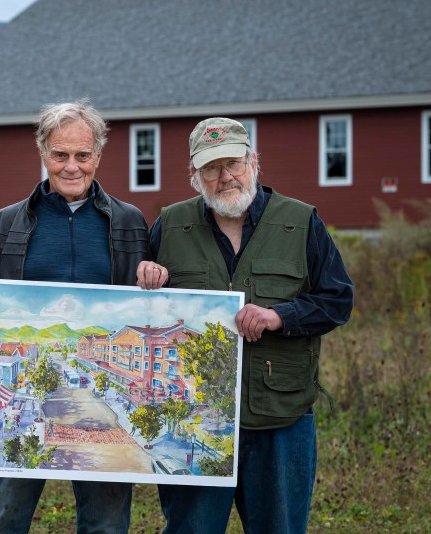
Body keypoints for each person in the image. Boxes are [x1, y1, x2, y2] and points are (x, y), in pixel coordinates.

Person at [136, 117, 354, 534]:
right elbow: (140, 307)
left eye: (233, 163)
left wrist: (279, 316)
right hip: (196, 417)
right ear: (194, 176)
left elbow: (337, 300)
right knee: (191, 529)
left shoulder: (301, 221)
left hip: (281, 419)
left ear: (254, 162)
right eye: (211, 168)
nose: (225, 177)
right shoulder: (170, 225)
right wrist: (143, 276)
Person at [0, 99, 153, 534]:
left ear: (98, 156)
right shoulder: (2, 225)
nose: (72, 166)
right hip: (22, 396)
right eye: (60, 154)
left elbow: (146, 299)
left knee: (105, 520)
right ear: (43, 153)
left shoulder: (130, 223)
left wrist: (154, 275)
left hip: (95, 417)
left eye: (83, 155)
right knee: (4, 513)